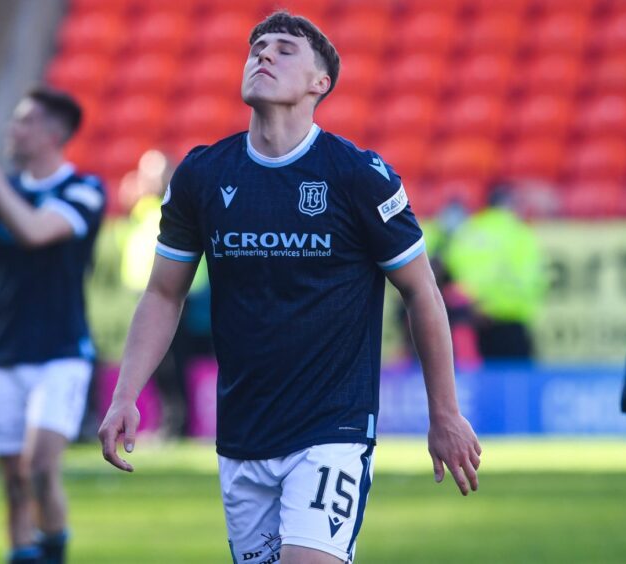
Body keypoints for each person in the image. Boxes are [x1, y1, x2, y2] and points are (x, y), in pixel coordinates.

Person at [99, 11, 481, 564]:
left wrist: (443, 413)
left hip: (333, 427)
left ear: (319, 83)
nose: (263, 54)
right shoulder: (202, 175)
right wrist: (125, 394)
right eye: (256, 46)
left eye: (283, 48)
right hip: (242, 434)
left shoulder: (358, 176)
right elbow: (163, 293)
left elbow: (422, 290)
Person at [0, 87, 105, 564]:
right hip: (5, 350)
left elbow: (34, 231)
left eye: (25, 121)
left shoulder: (83, 189)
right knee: (13, 483)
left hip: (61, 351)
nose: (14, 129)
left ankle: (54, 554)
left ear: (55, 133)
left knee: (38, 469)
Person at [444, 185, 547, 360]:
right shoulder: (520, 232)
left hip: (480, 320)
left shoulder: (470, 230)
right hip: (513, 318)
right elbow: (534, 276)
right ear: (509, 204)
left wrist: (477, 301)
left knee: (487, 377)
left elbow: (452, 268)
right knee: (519, 381)